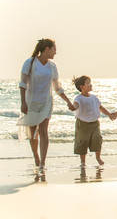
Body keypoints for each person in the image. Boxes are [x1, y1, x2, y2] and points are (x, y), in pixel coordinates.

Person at [17, 38, 74, 173]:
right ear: (47, 49)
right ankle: (36, 156)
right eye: (54, 49)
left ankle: (42, 162)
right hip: (31, 102)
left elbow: (57, 87)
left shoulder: (52, 66)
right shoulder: (30, 63)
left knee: (44, 131)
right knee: (33, 134)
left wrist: (69, 102)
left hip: (46, 102)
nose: (56, 52)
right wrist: (23, 102)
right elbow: (23, 84)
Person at [71, 76, 115, 167]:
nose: (90, 84)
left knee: (97, 139)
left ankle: (98, 157)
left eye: (90, 82)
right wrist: (73, 107)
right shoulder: (78, 98)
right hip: (82, 124)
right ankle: (83, 162)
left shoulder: (94, 98)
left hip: (94, 123)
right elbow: (76, 105)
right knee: (82, 141)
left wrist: (109, 114)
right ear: (82, 87)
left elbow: (101, 108)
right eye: (88, 83)